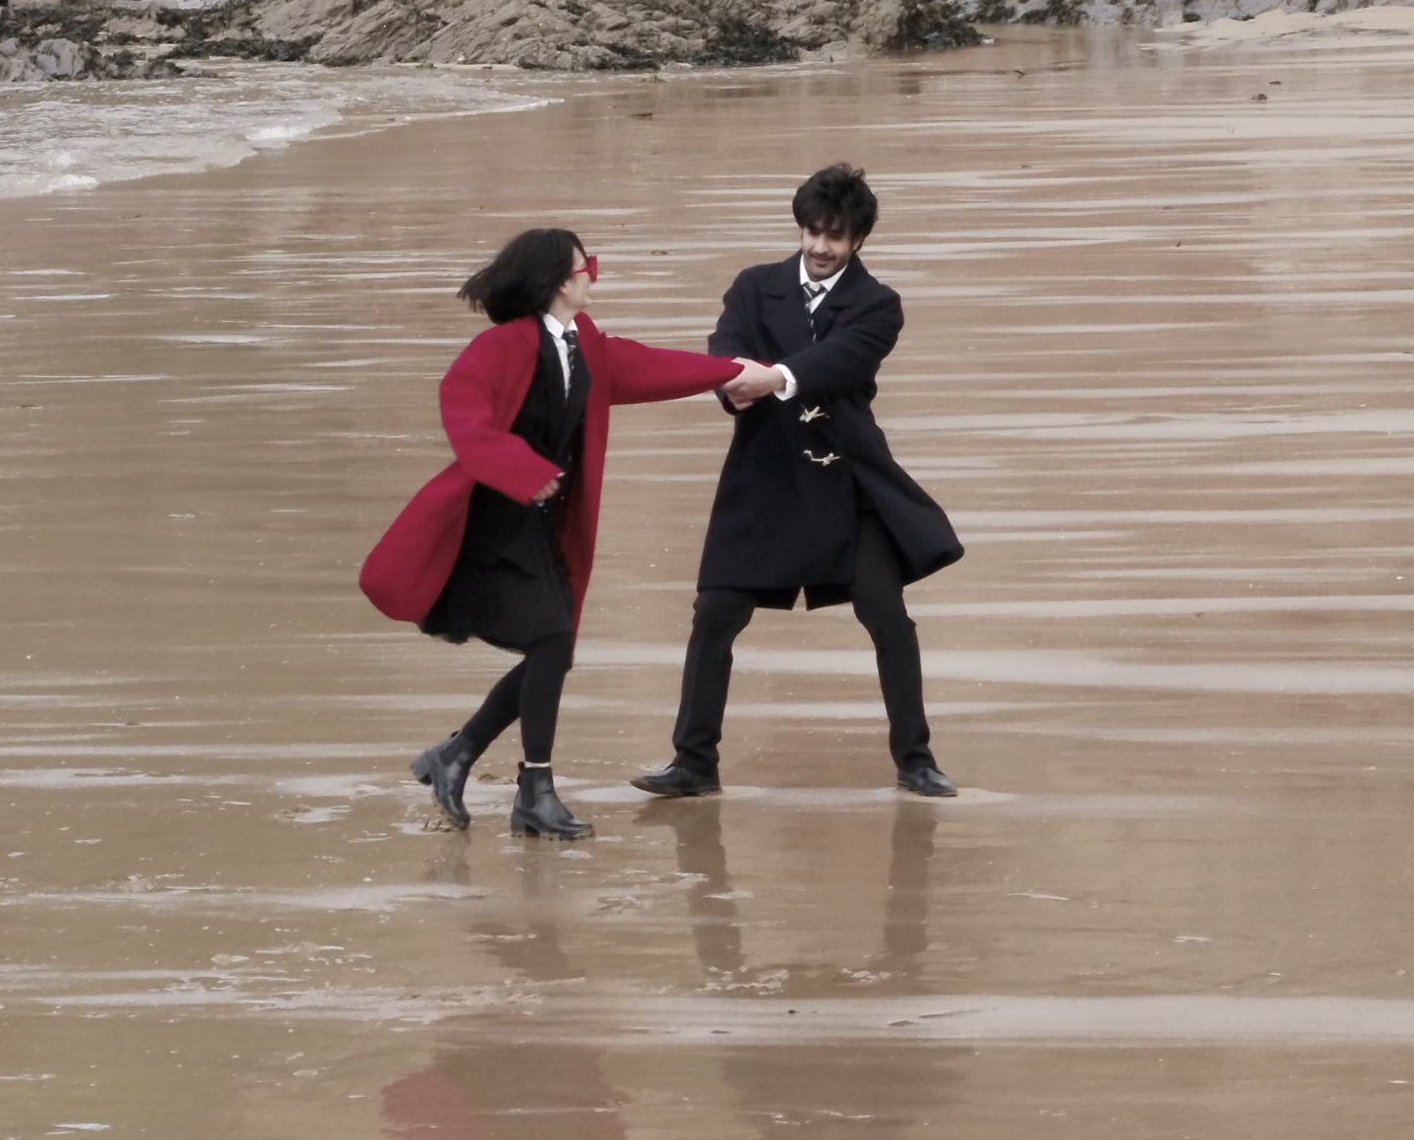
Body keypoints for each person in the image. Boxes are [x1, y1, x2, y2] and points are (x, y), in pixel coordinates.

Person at [361, 229, 783, 838]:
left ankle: (458, 758)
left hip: (543, 525)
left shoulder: (583, 342)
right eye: (588, 266)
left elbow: (645, 366)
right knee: (553, 643)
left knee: (551, 650)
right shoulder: (499, 347)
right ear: (562, 279)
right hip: (492, 524)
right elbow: (465, 416)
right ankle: (528, 788)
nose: (592, 274)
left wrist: (731, 371)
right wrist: (523, 471)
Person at [631, 164, 964, 800]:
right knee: (716, 614)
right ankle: (693, 763)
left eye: (834, 236)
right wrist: (731, 383)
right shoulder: (754, 287)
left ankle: (916, 760)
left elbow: (840, 362)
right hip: (764, 475)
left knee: (886, 615)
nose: (819, 246)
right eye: (812, 230)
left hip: (849, 480)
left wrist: (775, 377)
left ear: (858, 240)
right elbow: (724, 351)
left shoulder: (877, 304)